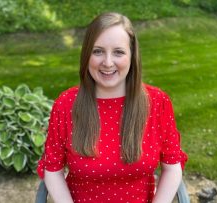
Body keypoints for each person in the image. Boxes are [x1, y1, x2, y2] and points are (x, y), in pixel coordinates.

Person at [37, 12, 187, 203]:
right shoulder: (66, 104)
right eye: (98, 51)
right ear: (86, 55)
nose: (107, 63)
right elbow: (53, 168)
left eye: (118, 52)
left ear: (132, 56)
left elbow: (172, 166)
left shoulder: (157, 103)